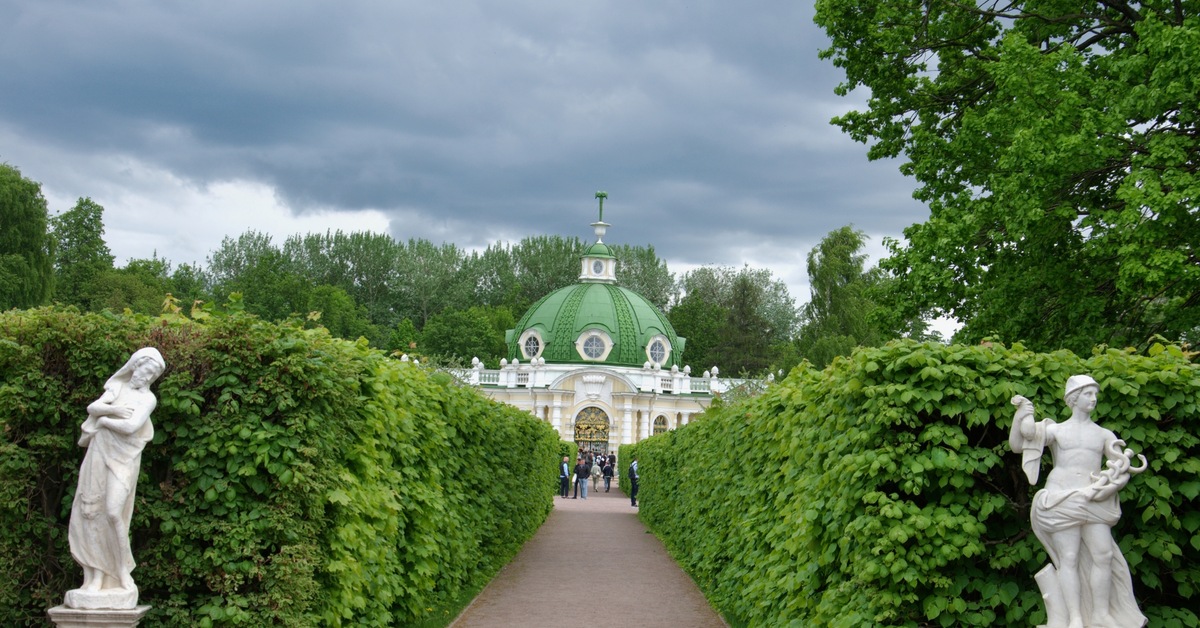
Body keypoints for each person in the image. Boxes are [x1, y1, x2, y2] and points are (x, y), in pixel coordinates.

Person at [1010, 375, 1148, 628]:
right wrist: (1022, 414)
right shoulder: (1056, 430)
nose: (1093, 399)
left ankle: (1100, 614)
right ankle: (1075, 617)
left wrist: (1112, 486)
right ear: (1073, 398)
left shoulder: (1104, 434)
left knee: (1104, 554)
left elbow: (1121, 468)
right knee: (1069, 557)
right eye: (1087, 394)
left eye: (1095, 394)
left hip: (1095, 501)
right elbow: (1019, 443)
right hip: (1062, 499)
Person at [68, 348, 166, 597]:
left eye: (153, 374)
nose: (147, 376)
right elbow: (93, 407)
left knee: (113, 511)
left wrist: (104, 421)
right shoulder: (117, 388)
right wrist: (111, 412)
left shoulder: (148, 399)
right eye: (146, 370)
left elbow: (131, 426)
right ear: (136, 366)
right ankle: (97, 575)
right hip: (100, 452)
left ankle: (122, 570)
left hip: (125, 457)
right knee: (92, 510)